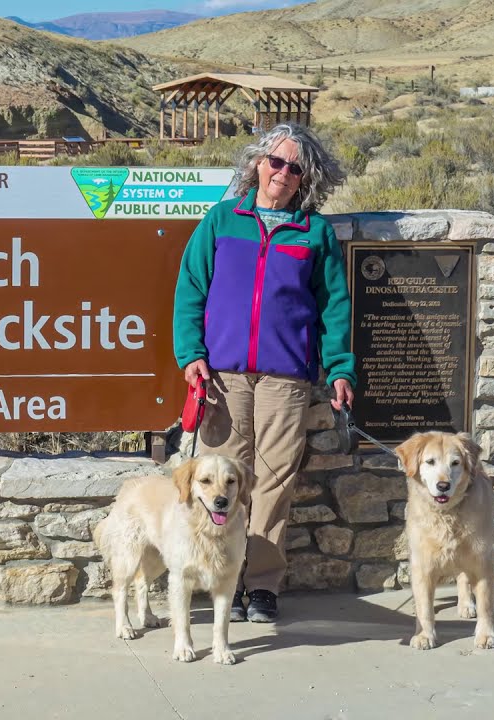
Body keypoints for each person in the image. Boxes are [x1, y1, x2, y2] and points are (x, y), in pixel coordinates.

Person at [172, 122, 355, 623]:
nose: (282, 173)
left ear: (306, 179)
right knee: (215, 484)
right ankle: (219, 581)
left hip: (285, 378)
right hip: (222, 376)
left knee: (272, 481)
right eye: (275, 161)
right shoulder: (222, 219)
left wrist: (339, 368)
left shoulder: (314, 232)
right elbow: (191, 288)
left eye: (295, 168)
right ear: (257, 163)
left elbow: (334, 306)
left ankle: (262, 587)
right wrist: (191, 354)